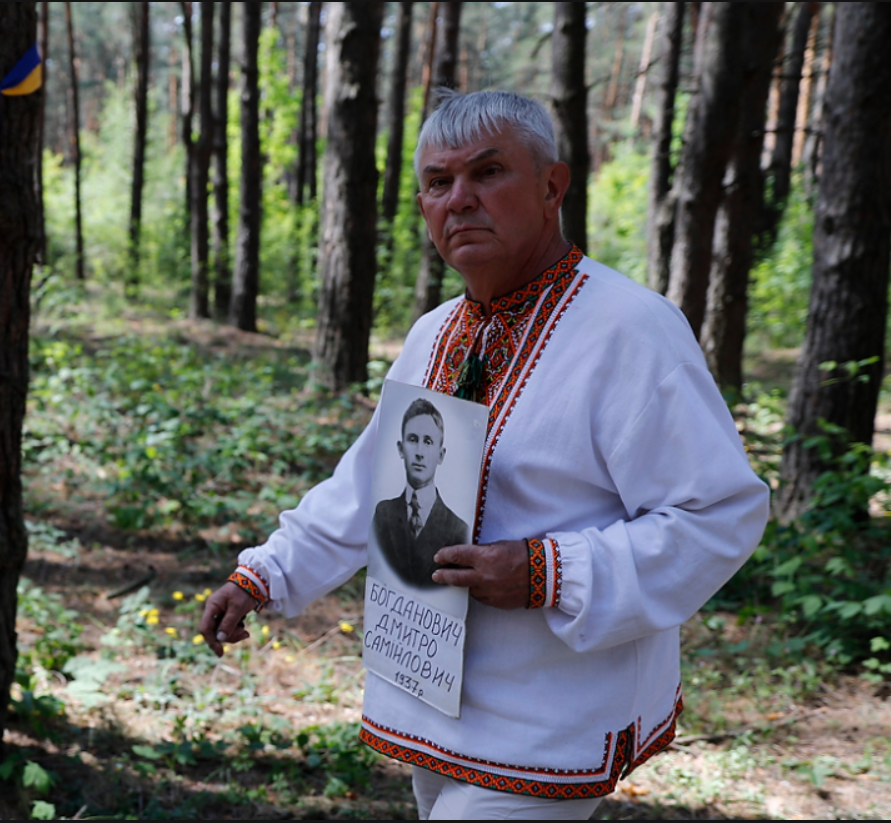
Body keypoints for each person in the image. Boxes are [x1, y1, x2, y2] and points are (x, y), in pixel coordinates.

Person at [199, 90, 769, 820]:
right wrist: (267, 572)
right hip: (430, 690)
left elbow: (716, 513)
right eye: (439, 182)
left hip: (550, 710)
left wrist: (545, 570)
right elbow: (374, 479)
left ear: (551, 186)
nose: (460, 199)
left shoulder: (629, 330)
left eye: (487, 172)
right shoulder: (435, 332)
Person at [372, 398, 470, 589]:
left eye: (428, 442)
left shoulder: (459, 529)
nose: (419, 452)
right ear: (401, 449)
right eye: (412, 440)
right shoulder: (383, 512)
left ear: (440, 455)